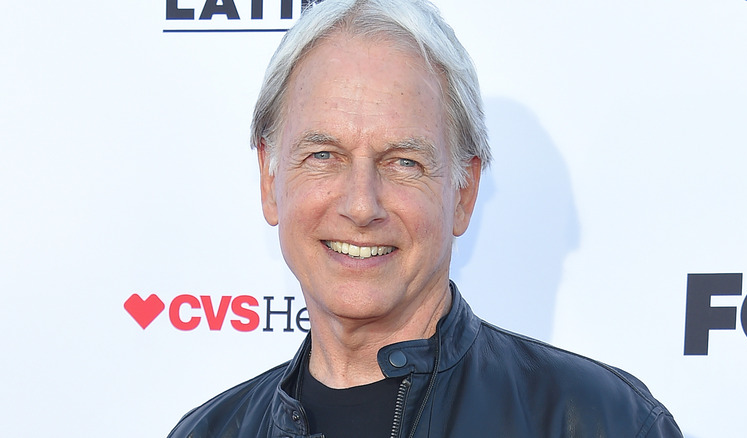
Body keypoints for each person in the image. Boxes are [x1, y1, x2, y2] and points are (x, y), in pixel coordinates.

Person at [168, 0, 683, 436]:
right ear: (269, 178)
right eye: (324, 155)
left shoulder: (602, 422)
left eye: (404, 162)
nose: (361, 205)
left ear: (464, 191)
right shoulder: (208, 431)